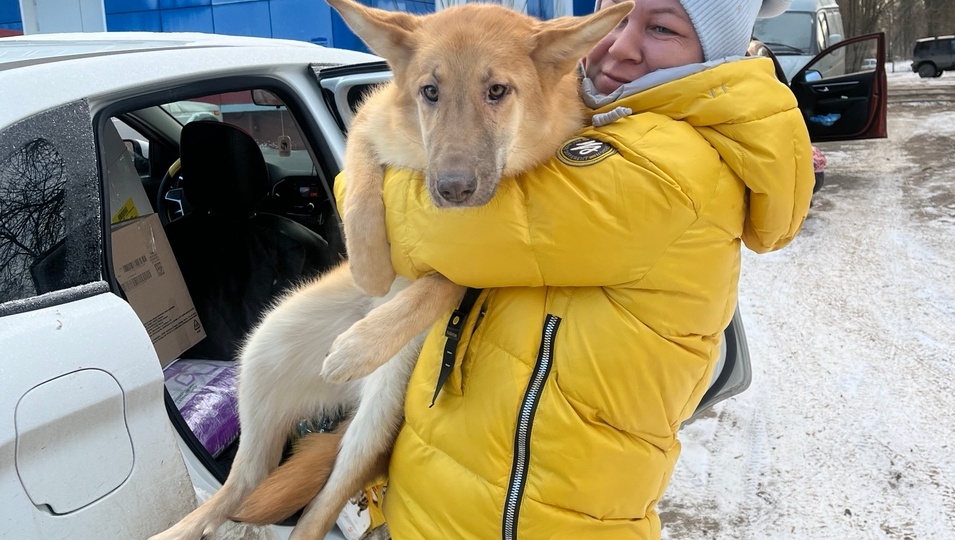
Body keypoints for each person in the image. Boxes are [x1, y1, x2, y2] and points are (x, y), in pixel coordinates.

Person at [342, 0, 811, 537]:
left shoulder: (672, 165)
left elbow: (434, 232)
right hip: (458, 494)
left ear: (715, 49)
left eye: (661, 28)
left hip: (530, 518)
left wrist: (359, 187)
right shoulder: (608, 118)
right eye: (617, 17)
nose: (620, 46)